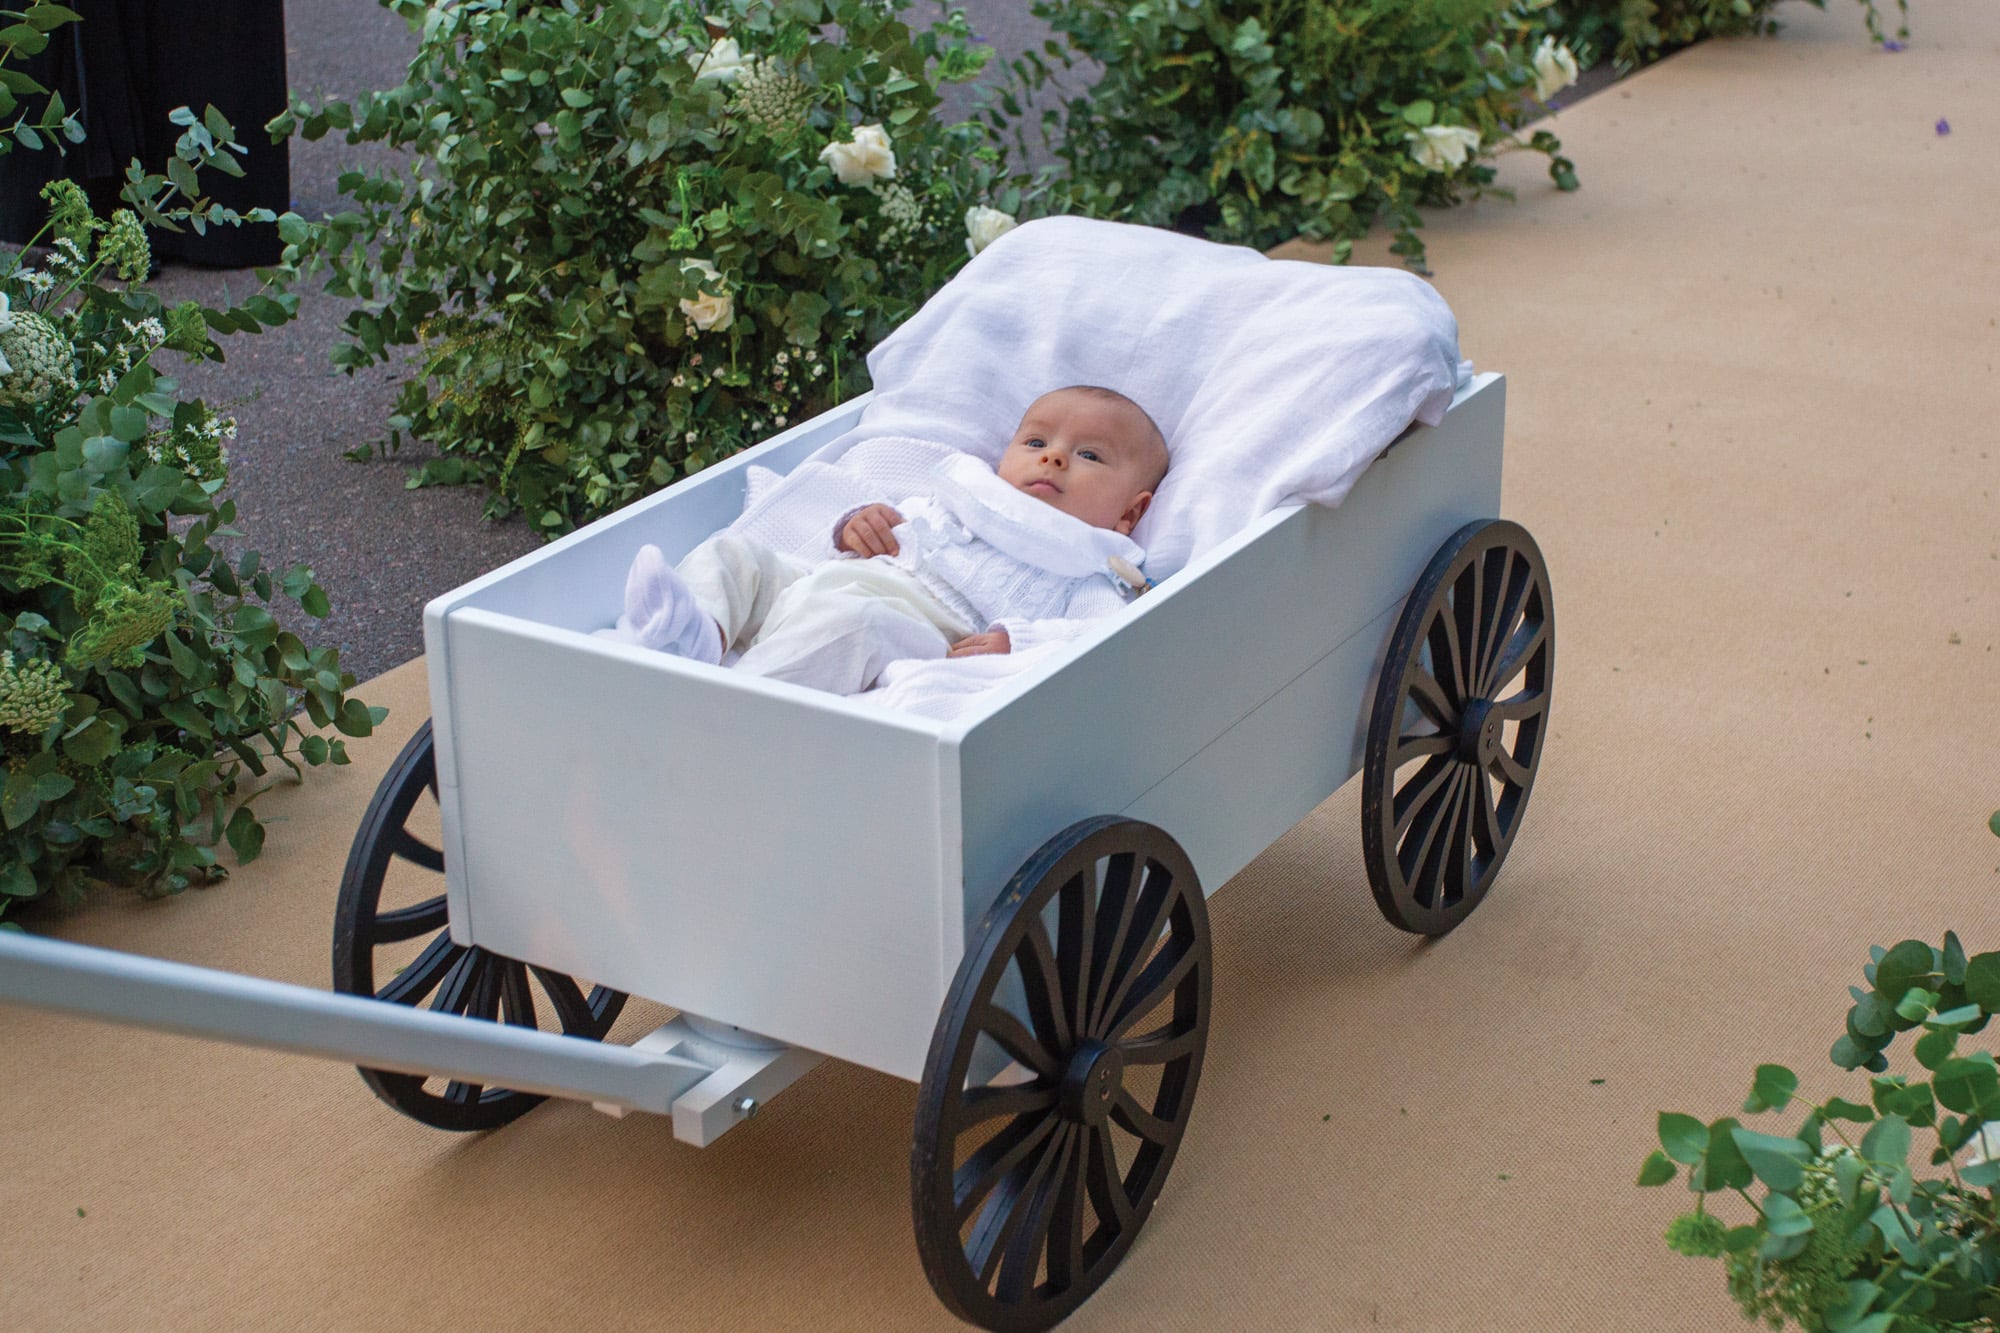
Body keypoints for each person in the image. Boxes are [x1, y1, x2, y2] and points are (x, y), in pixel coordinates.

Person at [602, 385, 1168, 696]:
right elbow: (884, 529)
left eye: (1089, 455)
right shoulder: (959, 498)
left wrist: (1015, 642)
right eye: (1037, 440)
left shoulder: (1090, 565)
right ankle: (700, 635)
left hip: (924, 627)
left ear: (1129, 514)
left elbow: (1096, 638)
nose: (1054, 456)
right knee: (736, 554)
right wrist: (858, 523)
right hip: (823, 582)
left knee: (853, 625)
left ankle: (740, 701)